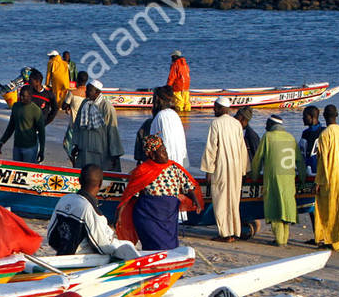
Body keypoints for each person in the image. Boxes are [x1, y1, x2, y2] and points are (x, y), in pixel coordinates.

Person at [115, 135, 204, 250]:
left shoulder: (174, 167)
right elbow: (131, 195)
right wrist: (120, 215)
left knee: (170, 246)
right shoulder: (142, 171)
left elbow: (188, 185)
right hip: (148, 216)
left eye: (165, 150)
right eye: (161, 151)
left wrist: (195, 200)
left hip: (169, 217)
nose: (165, 154)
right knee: (153, 246)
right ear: (152, 155)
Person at [46, 165, 139, 259]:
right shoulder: (90, 209)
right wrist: (124, 244)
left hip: (61, 256)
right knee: (128, 245)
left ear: (79, 180)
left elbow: (51, 237)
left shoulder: (64, 199)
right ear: (101, 184)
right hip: (80, 261)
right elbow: (103, 247)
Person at [199, 96, 249, 242]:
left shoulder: (216, 123)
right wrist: (244, 169)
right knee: (233, 199)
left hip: (221, 167)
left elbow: (211, 148)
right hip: (236, 168)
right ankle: (234, 231)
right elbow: (242, 149)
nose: (213, 109)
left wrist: (208, 170)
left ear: (221, 108)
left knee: (221, 200)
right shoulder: (236, 124)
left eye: (215, 107)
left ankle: (225, 234)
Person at [248, 115, 304, 247]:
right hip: (289, 178)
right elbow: (300, 161)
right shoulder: (290, 138)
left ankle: (279, 240)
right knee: (286, 206)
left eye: (267, 123)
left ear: (271, 124)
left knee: (275, 207)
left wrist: (254, 177)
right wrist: (302, 178)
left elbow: (257, 160)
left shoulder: (267, 137)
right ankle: (284, 238)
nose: (265, 126)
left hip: (273, 178)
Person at [313, 104, 339, 251]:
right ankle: (338, 237)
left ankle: (331, 240)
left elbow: (322, 160)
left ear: (324, 117)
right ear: (336, 116)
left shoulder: (325, 135)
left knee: (328, 209)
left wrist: (318, 181)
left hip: (329, 177)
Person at [65, 79, 123, 171]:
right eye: (86, 90)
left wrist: (115, 153)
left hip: (100, 149)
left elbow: (112, 130)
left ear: (97, 92)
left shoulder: (106, 107)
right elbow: (77, 126)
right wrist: (75, 144)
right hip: (84, 147)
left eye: (89, 90)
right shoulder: (85, 103)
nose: (86, 92)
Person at [0, 81, 55, 163]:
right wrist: (1, 142)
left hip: (30, 148)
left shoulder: (36, 110)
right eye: (21, 95)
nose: (22, 98)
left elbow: (42, 132)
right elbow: (10, 127)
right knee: (17, 170)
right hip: (17, 146)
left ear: (30, 96)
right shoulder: (16, 107)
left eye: (24, 96)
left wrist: (41, 151)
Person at [148, 85, 189, 167]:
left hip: (168, 164)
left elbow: (165, 142)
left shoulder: (162, 116)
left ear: (157, 100)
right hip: (179, 162)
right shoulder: (174, 114)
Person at [299, 105, 325, 180]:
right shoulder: (305, 133)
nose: (303, 118)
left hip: (318, 170)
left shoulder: (323, 132)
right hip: (307, 169)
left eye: (305, 116)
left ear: (312, 117)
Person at [167, 50, 191, 116]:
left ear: (175, 56)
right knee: (186, 103)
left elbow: (172, 76)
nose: (171, 59)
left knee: (179, 102)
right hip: (186, 86)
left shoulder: (175, 64)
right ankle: (187, 117)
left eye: (172, 57)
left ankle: (180, 116)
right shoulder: (185, 64)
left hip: (178, 86)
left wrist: (168, 86)